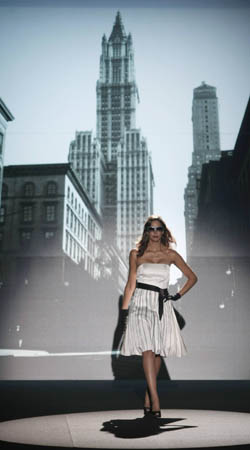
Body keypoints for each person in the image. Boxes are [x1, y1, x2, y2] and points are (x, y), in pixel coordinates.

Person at [120, 215, 198, 417]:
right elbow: (130, 284)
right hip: (141, 303)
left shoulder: (171, 255)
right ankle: (155, 400)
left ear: (163, 232)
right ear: (146, 231)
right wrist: (124, 312)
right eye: (151, 228)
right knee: (147, 348)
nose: (155, 232)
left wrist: (177, 295)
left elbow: (192, 277)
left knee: (157, 352)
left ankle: (148, 396)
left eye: (159, 228)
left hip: (161, 304)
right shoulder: (136, 254)